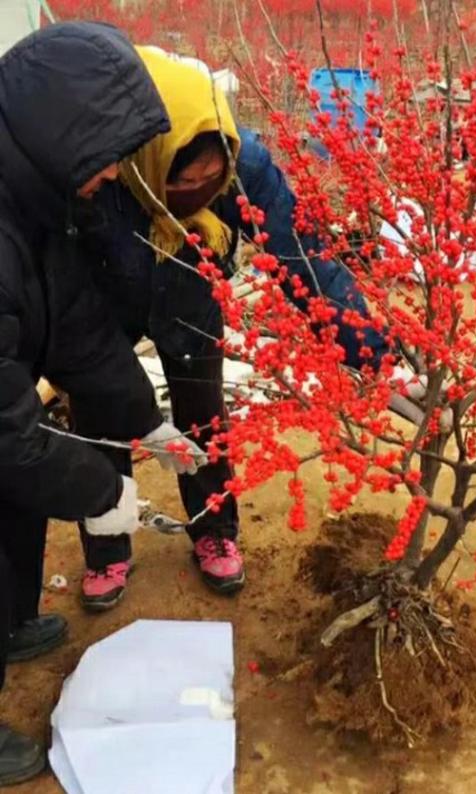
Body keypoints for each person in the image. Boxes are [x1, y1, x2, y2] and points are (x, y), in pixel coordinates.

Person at [79, 47, 394, 610]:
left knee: (203, 416)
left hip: (192, 294)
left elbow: (302, 258)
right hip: (103, 293)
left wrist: (370, 351)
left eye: (210, 179)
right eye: (184, 182)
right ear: (149, 168)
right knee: (99, 414)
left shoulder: (245, 164)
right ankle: (106, 545)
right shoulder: (107, 168)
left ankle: (214, 528)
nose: (199, 189)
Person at [0, 21, 207, 785]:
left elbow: (76, 328)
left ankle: (10, 621)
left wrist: (144, 420)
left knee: (14, 511)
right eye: (110, 156)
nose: (117, 176)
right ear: (61, 135)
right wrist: (101, 490)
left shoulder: (35, 202)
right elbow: (5, 436)